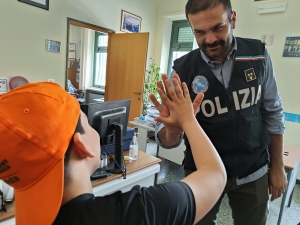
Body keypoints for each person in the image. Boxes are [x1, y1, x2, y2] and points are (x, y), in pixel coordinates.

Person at [0, 81, 226, 224]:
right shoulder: (140, 212)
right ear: (82, 145)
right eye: (88, 123)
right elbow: (215, 174)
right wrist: (188, 119)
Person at [153, 0, 287, 224]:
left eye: (218, 27)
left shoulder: (259, 55)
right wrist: (173, 131)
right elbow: (166, 139)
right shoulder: (182, 70)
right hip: (202, 172)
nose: (210, 40)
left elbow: (273, 112)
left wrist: (278, 166)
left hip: (253, 169)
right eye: (199, 32)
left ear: (232, 19)